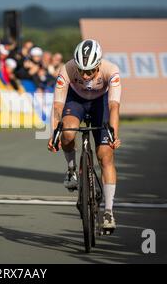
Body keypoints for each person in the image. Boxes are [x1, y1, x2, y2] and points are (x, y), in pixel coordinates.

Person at [48, 39, 122, 232]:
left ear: (99, 64)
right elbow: (57, 105)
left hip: (101, 104)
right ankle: (72, 169)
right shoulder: (67, 69)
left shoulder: (111, 70)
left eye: (90, 71)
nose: (86, 75)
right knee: (68, 133)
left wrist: (113, 133)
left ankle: (108, 212)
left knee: (105, 155)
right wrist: (54, 133)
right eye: (82, 70)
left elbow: (114, 106)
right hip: (76, 101)